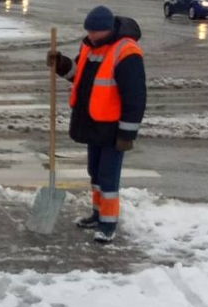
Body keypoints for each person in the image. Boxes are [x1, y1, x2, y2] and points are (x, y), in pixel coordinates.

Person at [47, 5, 147, 243]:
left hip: (113, 128)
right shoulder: (89, 47)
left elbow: (135, 97)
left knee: (108, 177)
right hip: (93, 123)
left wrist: (127, 134)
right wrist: (61, 64)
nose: (90, 35)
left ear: (108, 29)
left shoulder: (126, 52)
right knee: (95, 173)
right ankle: (97, 214)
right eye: (88, 31)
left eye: (95, 31)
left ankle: (108, 225)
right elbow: (78, 75)